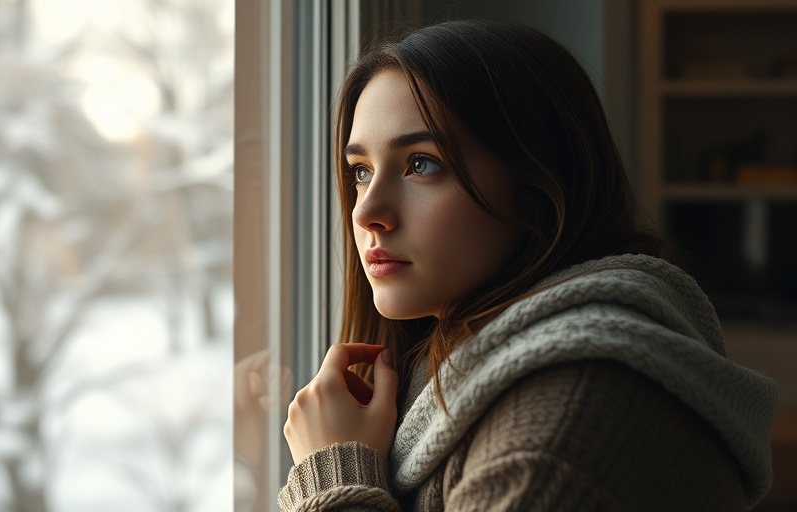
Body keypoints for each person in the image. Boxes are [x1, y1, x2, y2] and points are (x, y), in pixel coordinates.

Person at [279, 20, 777, 511]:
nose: (365, 212)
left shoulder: (560, 430)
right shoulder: (435, 374)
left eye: (422, 163)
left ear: (539, 186)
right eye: (361, 172)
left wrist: (334, 477)